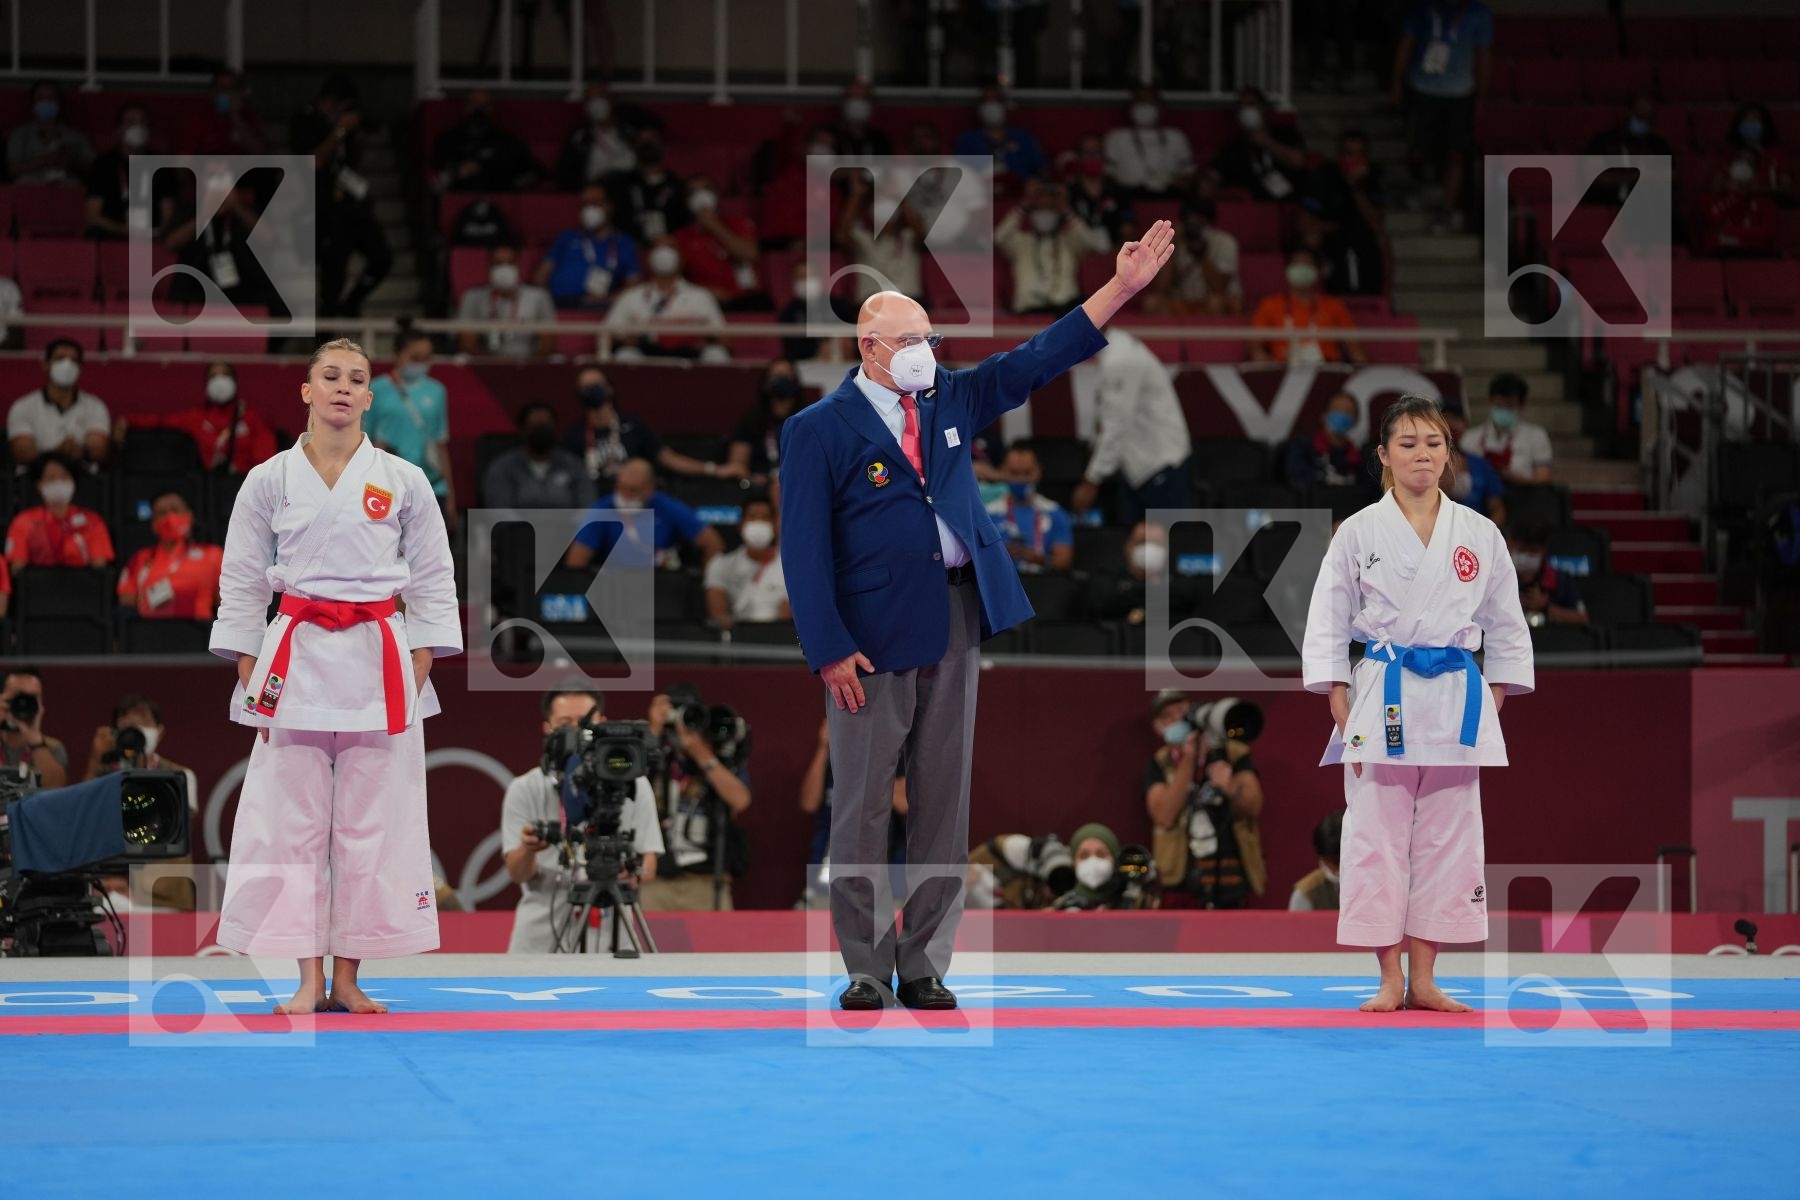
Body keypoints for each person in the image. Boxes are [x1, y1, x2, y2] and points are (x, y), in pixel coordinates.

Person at [779, 220, 1174, 1011]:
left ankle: (924, 961)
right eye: (913, 337)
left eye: (932, 333)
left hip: (956, 617)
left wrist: (1120, 291)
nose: (929, 347)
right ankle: (863, 963)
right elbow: (802, 549)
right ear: (871, 347)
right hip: (867, 637)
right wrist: (827, 649)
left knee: (942, 797)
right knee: (859, 804)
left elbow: (1036, 360)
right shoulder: (816, 430)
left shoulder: (950, 398)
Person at [207, 338, 461, 1015]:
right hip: (294, 658)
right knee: (290, 827)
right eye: (330, 376)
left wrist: (424, 653)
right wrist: (245, 658)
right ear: (307, 390)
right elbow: (238, 577)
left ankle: (348, 977)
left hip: (380, 657)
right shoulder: (268, 479)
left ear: (369, 397)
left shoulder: (403, 479)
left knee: (370, 827)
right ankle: (303, 977)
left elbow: (435, 575)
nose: (343, 387)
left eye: (356, 379)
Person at [1301, 393, 1533, 1012]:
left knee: (1449, 840)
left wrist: (1497, 695)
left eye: (1432, 443)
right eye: (1407, 444)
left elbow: (1507, 625)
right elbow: (1328, 617)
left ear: (1448, 451)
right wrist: (1336, 694)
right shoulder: (1357, 531)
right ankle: (1386, 979)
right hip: (1385, 693)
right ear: (1383, 455)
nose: (1421, 455)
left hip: (1456, 699)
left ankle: (1425, 978)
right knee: (1376, 836)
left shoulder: (1478, 533)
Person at [501, 685, 664, 954]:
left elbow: (649, 863)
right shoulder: (525, 788)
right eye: (566, 724)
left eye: (586, 723)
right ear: (547, 728)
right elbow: (516, 873)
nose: (578, 733)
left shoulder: (634, 782)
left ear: (604, 724)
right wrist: (528, 850)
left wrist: (632, 871)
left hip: (614, 937)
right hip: (541, 940)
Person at [1145, 690, 1265, 910]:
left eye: (1181, 711)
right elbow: (1164, 816)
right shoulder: (1160, 763)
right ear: (1157, 727)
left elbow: (1252, 806)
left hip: (1231, 875)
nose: (1177, 720)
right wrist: (1189, 759)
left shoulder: (1234, 753)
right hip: (1182, 880)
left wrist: (1228, 787)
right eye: (1167, 716)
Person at [639, 690, 753, 910]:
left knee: (713, 944)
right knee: (647, 943)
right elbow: (629, 789)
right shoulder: (656, 758)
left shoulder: (721, 760)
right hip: (656, 880)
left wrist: (700, 753)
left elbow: (741, 800)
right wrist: (653, 731)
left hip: (706, 882)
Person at [1070, 328, 1192, 526]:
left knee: (1162, 548)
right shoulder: (1116, 350)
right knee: (1134, 550)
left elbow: (1115, 425)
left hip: (1159, 466)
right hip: (1138, 469)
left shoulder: (1120, 358)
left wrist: (1091, 481)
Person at [292, 73, 390, 319]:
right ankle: (322, 344)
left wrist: (355, 136)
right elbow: (312, 163)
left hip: (354, 207)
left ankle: (351, 304)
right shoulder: (306, 121)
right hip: (324, 209)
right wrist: (337, 131)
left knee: (382, 258)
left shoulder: (350, 129)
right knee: (332, 280)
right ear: (328, 102)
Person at [1391, 0, 1493, 234]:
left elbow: (1484, 54)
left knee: (1455, 153)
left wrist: (1481, 96)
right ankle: (1417, 187)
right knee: (1417, 147)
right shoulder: (1424, 8)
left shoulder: (1479, 13)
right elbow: (1406, 43)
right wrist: (1396, 81)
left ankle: (1446, 210)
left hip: (1460, 93)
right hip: (1423, 88)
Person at [564, 365, 737, 488]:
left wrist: (713, 469)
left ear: (609, 389)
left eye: (596, 385)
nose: (591, 391)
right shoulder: (574, 434)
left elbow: (669, 459)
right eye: (586, 387)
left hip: (633, 498)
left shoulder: (632, 425)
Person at [799, 716, 905, 910]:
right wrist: (824, 747)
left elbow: (904, 804)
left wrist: (871, 753)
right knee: (822, 939)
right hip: (829, 879)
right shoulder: (833, 763)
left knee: (885, 939)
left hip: (884, 883)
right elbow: (808, 803)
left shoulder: (895, 761)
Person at [165, 164, 285, 316]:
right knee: (177, 302)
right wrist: (205, 214)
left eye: (223, 177)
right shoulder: (190, 208)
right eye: (213, 176)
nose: (218, 183)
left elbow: (269, 238)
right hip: (197, 285)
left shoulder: (245, 209)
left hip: (239, 286)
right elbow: (171, 243)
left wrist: (236, 206)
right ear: (202, 181)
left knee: (276, 306)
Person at [564, 457, 723, 571]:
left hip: (660, 584)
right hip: (615, 586)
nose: (625, 495)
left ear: (650, 489)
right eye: (621, 488)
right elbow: (576, 560)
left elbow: (713, 544)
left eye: (632, 490)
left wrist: (705, 584)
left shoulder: (667, 508)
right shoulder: (601, 511)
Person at [367, 329, 456, 527]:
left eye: (426, 358)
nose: (421, 363)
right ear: (398, 354)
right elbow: (361, 441)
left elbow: (440, 445)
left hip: (432, 485)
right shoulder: (375, 389)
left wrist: (450, 495)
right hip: (388, 486)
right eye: (415, 357)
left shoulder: (437, 391)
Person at [126, 362, 277, 475]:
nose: (220, 381)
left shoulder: (252, 419)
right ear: (206, 384)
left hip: (247, 487)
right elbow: (160, 421)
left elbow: (266, 464)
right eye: (213, 376)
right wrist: (127, 420)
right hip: (212, 488)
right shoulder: (195, 418)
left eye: (225, 375)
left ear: (235, 382)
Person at [995, 180, 1109, 316]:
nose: (1045, 214)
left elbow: (1092, 244)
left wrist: (1067, 210)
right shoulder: (1021, 242)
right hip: (1028, 313)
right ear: (1031, 213)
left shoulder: (1069, 241)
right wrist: (1023, 206)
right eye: (1040, 209)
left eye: (1050, 209)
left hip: (1065, 313)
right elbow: (998, 238)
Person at [602, 239, 727, 360]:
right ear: (648, 257)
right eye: (658, 248)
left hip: (690, 356)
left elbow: (724, 339)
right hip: (647, 355)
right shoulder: (630, 297)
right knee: (625, 355)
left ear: (682, 257)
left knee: (716, 354)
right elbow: (609, 335)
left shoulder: (701, 296)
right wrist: (628, 339)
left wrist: (705, 340)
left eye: (670, 248)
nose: (664, 253)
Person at [1249, 247, 1366, 365]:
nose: (1302, 269)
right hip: (1283, 370)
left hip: (1327, 370)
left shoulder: (1334, 305)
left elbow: (1354, 347)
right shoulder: (1269, 305)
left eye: (1307, 265)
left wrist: (1361, 365)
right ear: (1287, 270)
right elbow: (1255, 345)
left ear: (1317, 270)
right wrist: (1266, 364)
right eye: (1297, 264)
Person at [116, 491, 223, 619]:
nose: (170, 517)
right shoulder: (140, 558)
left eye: (175, 510)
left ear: (189, 516)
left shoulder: (213, 555)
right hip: (148, 632)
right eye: (162, 513)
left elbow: (226, 601)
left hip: (199, 633)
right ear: (154, 524)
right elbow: (126, 600)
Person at [84, 103, 179, 242]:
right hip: (114, 233)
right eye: (131, 122)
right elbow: (92, 215)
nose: (137, 127)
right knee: (93, 232)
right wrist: (127, 231)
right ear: (118, 129)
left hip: (152, 234)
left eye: (142, 122)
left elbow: (168, 213)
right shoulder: (103, 164)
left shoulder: (161, 164)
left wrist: (157, 232)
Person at [537, 184, 640, 311]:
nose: (589, 209)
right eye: (584, 204)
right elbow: (541, 276)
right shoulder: (567, 237)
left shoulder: (624, 243)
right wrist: (545, 303)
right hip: (557, 303)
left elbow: (632, 287)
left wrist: (608, 299)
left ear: (609, 206)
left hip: (597, 306)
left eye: (595, 203)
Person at [7, 340, 111, 465]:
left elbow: (98, 450)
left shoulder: (95, 406)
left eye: (74, 360)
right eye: (60, 358)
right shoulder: (22, 407)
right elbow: (23, 453)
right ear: (45, 364)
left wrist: (81, 452)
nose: (67, 365)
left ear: (80, 368)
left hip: (82, 475)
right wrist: (56, 455)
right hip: (35, 476)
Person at [672, 176, 768, 311]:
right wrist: (705, 292)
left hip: (746, 297)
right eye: (693, 191)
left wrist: (715, 226)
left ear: (715, 194)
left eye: (706, 189)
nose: (701, 195)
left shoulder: (738, 224)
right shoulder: (681, 237)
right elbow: (673, 280)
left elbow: (750, 254)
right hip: (707, 301)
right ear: (686, 200)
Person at [5, 453, 114, 569]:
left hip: (80, 585)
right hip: (38, 585)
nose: (58, 483)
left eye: (64, 477)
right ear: (39, 485)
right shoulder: (23, 522)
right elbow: (17, 571)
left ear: (73, 483)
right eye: (51, 478)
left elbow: (99, 570)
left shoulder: (93, 521)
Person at [483, 402, 595, 511]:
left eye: (546, 426)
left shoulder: (574, 466)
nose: (542, 432)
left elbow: (586, 507)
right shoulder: (503, 468)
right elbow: (499, 511)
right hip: (519, 529)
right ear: (523, 431)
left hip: (568, 529)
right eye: (536, 427)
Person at [703, 493, 789, 629]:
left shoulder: (790, 567)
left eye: (765, 518)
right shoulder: (721, 564)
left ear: (774, 525)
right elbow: (718, 614)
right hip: (738, 642)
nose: (759, 523)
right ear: (741, 524)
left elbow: (789, 613)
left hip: (778, 640)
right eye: (752, 517)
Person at [1144, 198, 1242, 316]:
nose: (1194, 227)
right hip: (1182, 301)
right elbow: (1160, 290)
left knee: (1216, 303)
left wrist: (1201, 254)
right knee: (1151, 303)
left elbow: (1220, 288)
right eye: (1190, 222)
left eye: (1199, 222)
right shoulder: (1177, 240)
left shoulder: (1225, 242)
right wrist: (1171, 242)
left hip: (1210, 300)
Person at [986, 443, 1073, 574]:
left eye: (1027, 473)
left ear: (1038, 471)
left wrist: (1041, 560)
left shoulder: (1055, 513)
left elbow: (1064, 561)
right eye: (1014, 473)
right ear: (1003, 472)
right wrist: (1000, 555)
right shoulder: (987, 513)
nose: (1021, 479)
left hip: (1042, 586)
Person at [1208, 87, 1307, 202]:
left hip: (1287, 204)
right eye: (1242, 106)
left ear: (1263, 108)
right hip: (1252, 209)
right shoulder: (1233, 147)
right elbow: (1212, 177)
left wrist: (1267, 142)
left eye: (1251, 104)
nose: (1246, 110)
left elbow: (1298, 161)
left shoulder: (1285, 134)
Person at [456, 245, 556, 358]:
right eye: (498, 263)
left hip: (528, 365)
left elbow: (548, 343)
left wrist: (525, 367)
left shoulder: (539, 297)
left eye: (510, 263)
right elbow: (467, 344)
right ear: (489, 267)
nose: (504, 268)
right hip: (486, 365)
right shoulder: (473, 297)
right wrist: (492, 365)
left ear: (518, 265)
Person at [431, 89, 538, 192]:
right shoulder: (449, 139)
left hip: (499, 199)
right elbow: (438, 171)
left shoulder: (507, 141)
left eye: (484, 105)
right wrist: (457, 171)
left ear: (491, 108)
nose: (479, 110)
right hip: (459, 198)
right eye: (474, 104)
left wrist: (506, 182)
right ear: (465, 106)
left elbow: (533, 171)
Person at [1102, 86, 1194, 197]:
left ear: (1161, 108)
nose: (1145, 106)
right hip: (1128, 198)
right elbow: (1107, 174)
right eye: (1140, 102)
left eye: (1150, 102)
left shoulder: (1176, 136)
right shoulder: (1116, 137)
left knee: (1164, 215)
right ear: (1130, 107)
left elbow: (1188, 173)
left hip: (1168, 198)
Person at [1460, 373, 1551, 484]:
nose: (1503, 410)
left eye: (1509, 406)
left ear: (1522, 406)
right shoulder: (1470, 437)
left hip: (1522, 494)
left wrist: (1514, 478)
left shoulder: (1536, 436)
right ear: (1490, 401)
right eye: (1498, 405)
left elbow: (1543, 478)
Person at [952, 85, 1047, 189]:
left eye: (996, 100)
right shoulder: (968, 141)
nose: (992, 106)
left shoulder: (1023, 138)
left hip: (1018, 196)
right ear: (980, 107)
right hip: (981, 195)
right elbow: (958, 175)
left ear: (1005, 106)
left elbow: (1041, 170)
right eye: (987, 101)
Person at [726, 360, 805, 484]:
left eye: (786, 376)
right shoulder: (752, 419)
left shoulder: (806, 418)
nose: (781, 381)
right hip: (761, 486)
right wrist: (752, 479)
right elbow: (737, 464)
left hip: (797, 484)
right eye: (776, 376)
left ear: (795, 382)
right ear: (765, 384)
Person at [1294, 195, 1385, 297]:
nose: (1308, 222)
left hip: (1352, 298)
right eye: (1305, 216)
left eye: (1312, 218)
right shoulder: (1301, 247)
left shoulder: (1349, 244)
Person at [554, 83, 640, 191]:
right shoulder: (578, 138)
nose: (596, 103)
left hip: (629, 189)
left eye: (601, 97)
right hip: (595, 191)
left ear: (611, 100)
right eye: (591, 99)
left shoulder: (629, 132)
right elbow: (564, 173)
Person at [1698, 147, 1780, 258]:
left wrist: (1727, 232)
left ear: (1756, 173)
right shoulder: (1709, 198)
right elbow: (1712, 222)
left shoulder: (1766, 204)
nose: (1743, 165)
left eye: (1749, 162)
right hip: (1720, 255)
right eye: (1739, 160)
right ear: (1729, 167)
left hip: (1757, 256)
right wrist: (1735, 195)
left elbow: (1767, 233)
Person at [6, 80, 94, 185]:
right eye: (41, 98)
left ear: (59, 102)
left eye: (51, 98)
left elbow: (95, 167)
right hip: (30, 187)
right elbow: (12, 170)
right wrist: (45, 160)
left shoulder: (75, 136)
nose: (46, 102)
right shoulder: (20, 135)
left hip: (67, 186)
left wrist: (71, 160)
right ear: (33, 103)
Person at [610, 131, 687, 244]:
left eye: (652, 140)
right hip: (630, 249)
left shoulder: (677, 187)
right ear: (635, 146)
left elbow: (685, 226)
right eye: (643, 141)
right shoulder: (621, 184)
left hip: (669, 248)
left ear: (662, 144)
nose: (648, 145)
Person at [0, 665, 69, 787]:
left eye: (31, 699)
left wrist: (35, 741)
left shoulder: (53, 748)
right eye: (17, 698)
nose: (22, 704)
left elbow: (55, 790)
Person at [1063, 132, 1136, 245]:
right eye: (1087, 152)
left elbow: (1128, 230)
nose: (1092, 157)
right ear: (1078, 156)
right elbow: (1064, 230)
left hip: (1112, 251)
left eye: (1097, 152)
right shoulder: (1068, 192)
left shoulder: (1118, 191)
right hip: (1078, 251)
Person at [1509, 523, 1587, 628]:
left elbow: (1582, 618)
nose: (1525, 557)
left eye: (1532, 552)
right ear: (1509, 544)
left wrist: (1545, 606)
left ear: (1544, 550)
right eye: (1521, 551)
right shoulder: (1497, 577)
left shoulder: (1561, 579)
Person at [1440, 400, 1505, 524]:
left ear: (1465, 424)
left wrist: (1486, 534)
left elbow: (1497, 509)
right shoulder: (1426, 462)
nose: (1452, 424)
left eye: (1457, 419)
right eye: (1446, 419)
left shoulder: (1480, 464)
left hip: (1474, 531)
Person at [1283, 391, 1365, 488]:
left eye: (1348, 412)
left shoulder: (1358, 456)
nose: (1342, 415)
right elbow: (1296, 477)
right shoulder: (1302, 445)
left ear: (1355, 420)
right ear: (1324, 416)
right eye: (1336, 410)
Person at [187, 68, 268, 156]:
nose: (226, 93)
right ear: (212, 92)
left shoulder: (248, 115)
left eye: (231, 89)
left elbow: (259, 153)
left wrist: (236, 117)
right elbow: (184, 157)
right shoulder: (199, 117)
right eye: (221, 88)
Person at [1049, 823, 1129, 911]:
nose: (1093, 861)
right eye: (1084, 856)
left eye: (1101, 855)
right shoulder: (1062, 907)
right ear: (1073, 862)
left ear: (1115, 859)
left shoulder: (1133, 903)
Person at [1289, 810, 1344, 912]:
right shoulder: (1305, 894)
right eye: (1332, 862)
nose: (1337, 870)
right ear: (1322, 858)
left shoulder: (1377, 886)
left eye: (1341, 861)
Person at [833, 78, 892, 158]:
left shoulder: (880, 140)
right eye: (852, 98)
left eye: (862, 98)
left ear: (871, 105)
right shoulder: (831, 138)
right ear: (843, 103)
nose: (857, 103)